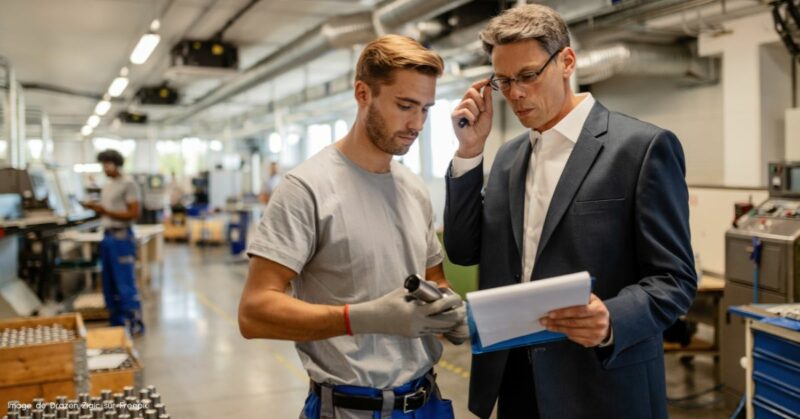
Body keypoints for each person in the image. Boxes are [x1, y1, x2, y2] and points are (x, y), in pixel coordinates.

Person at [443, 5, 697, 419]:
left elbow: (675, 279)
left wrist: (611, 319)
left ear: (566, 61)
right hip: (516, 380)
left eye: (527, 76)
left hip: (600, 381)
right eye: (503, 81)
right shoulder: (508, 158)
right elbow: (462, 248)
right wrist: (470, 153)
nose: (516, 94)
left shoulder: (641, 148)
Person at [238, 35, 467, 419]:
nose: (417, 124)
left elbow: (433, 281)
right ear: (363, 93)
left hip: (427, 402)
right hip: (349, 409)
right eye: (405, 106)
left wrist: (449, 314)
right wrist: (360, 317)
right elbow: (254, 312)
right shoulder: (306, 189)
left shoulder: (413, 188)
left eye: (426, 109)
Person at [82, 149, 145, 335]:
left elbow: (134, 213)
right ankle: (116, 323)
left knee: (125, 283)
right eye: (103, 164)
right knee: (109, 284)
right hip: (108, 237)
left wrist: (105, 211)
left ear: (116, 164)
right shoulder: (108, 184)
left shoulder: (128, 183)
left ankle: (134, 322)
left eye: (107, 164)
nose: (104, 168)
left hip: (121, 237)